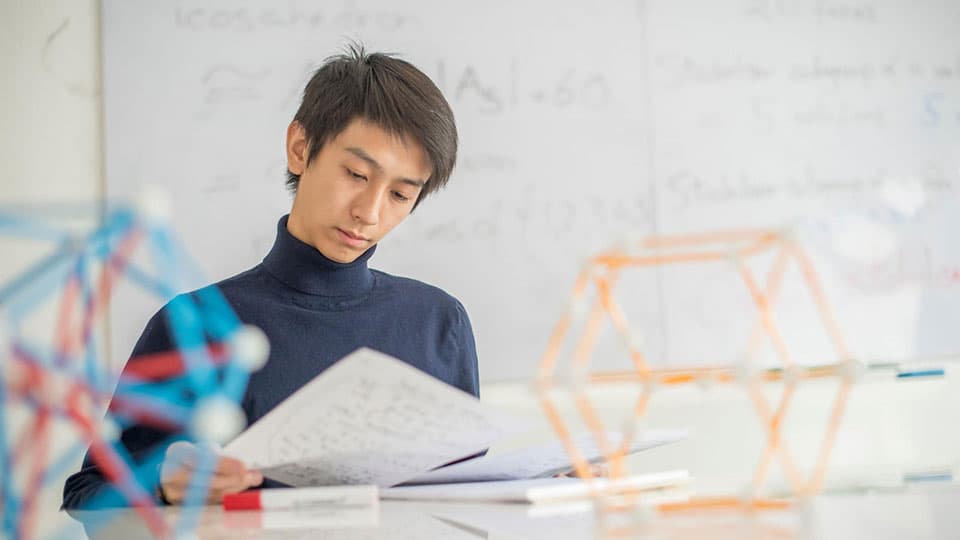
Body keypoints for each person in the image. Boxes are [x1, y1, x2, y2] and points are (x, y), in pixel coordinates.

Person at [62, 44, 478, 508]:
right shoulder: (196, 323)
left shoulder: (439, 323)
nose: (369, 212)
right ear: (300, 148)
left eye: (401, 195)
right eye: (357, 174)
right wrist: (162, 487)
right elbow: (86, 497)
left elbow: (464, 491)